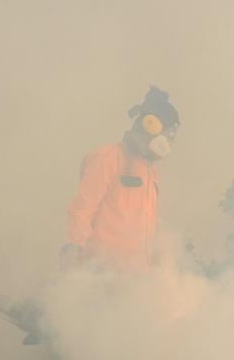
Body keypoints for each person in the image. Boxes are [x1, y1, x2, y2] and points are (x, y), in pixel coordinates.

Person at [60, 86, 179, 273]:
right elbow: (82, 209)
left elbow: (148, 226)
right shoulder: (108, 158)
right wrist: (73, 251)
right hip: (99, 270)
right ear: (149, 125)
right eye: (167, 134)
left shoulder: (150, 172)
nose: (168, 142)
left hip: (133, 274)